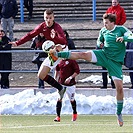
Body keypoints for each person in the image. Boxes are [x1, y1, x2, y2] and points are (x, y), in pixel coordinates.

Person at [49, 13, 133, 127]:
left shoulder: (121, 29)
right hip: (103, 55)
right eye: (104, 23)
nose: (104, 25)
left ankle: (118, 113)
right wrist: (100, 43)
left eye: (106, 23)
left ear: (113, 22)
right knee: (83, 54)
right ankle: (59, 54)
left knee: (119, 88)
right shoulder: (103, 30)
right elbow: (99, 41)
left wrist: (124, 38)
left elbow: (131, 36)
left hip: (115, 63)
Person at [9, 9, 67, 100]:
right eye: (46, 18)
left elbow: (63, 41)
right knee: (41, 75)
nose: (48, 20)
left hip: (62, 50)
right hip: (53, 52)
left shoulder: (57, 27)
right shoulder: (42, 26)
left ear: (53, 18)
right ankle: (61, 88)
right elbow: (30, 34)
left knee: (59, 48)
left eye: (50, 18)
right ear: (44, 18)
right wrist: (18, 43)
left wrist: (55, 37)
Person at [100, 0, 127, 89]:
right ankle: (104, 84)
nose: (114, 3)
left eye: (115, 2)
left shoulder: (121, 9)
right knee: (104, 67)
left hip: (116, 27)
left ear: (118, 2)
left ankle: (113, 85)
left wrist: (118, 25)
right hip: (106, 50)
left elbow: (123, 18)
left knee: (113, 68)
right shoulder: (109, 9)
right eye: (113, 2)